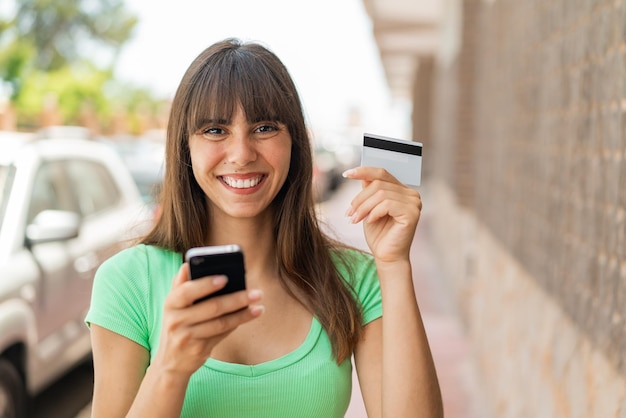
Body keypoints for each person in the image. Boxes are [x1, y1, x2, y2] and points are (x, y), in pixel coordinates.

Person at [86, 38, 443, 418]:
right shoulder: (128, 281)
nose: (241, 154)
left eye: (264, 127)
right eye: (215, 130)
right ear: (184, 147)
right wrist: (171, 365)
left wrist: (394, 264)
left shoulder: (355, 279)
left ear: (295, 144)